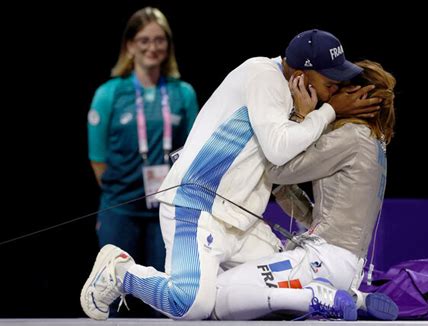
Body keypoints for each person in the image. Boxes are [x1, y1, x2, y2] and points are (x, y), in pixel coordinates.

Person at [81, 29, 381, 320]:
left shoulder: (293, 99)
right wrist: (328, 112)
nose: (333, 93)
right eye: (330, 83)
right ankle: (120, 272)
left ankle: (354, 298)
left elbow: (280, 173)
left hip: (242, 224)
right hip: (197, 207)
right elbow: (279, 152)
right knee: (190, 307)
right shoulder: (263, 75)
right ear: (301, 73)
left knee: (285, 285)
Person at [212, 60, 398, 320]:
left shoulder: (350, 138)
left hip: (321, 262)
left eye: (339, 88)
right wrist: (285, 192)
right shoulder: (373, 143)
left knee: (217, 296)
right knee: (255, 302)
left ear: (359, 96)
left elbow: (278, 168)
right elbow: (316, 212)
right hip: (343, 268)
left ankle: (314, 296)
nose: (330, 93)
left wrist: (300, 116)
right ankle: (355, 299)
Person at [86, 6, 198, 316]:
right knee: (114, 291)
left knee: (165, 295)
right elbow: (98, 159)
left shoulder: (182, 93)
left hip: (165, 209)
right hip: (120, 207)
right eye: (144, 40)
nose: (152, 47)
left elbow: (192, 154)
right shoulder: (109, 93)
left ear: (168, 45)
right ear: (130, 45)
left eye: (160, 40)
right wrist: (123, 192)